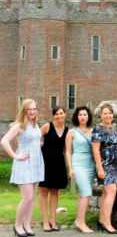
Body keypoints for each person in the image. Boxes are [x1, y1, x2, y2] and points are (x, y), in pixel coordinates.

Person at [1, 99, 44, 237]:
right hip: (24, 164)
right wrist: (15, 155)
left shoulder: (35, 124)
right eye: (29, 109)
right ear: (24, 110)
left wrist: (38, 145)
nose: (32, 111)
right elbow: (4, 141)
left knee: (32, 198)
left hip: (36, 163)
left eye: (34, 109)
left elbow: (33, 141)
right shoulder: (19, 125)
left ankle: (27, 225)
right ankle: (17, 225)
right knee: (27, 197)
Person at [65, 106, 95, 233]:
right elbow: (67, 151)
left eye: (85, 114)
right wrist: (70, 168)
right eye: (80, 115)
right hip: (78, 163)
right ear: (77, 117)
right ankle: (82, 223)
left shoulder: (93, 131)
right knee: (87, 192)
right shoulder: (72, 132)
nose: (82, 117)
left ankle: (78, 220)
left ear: (88, 117)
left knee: (83, 193)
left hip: (90, 163)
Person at [92, 103, 117, 234]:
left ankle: (102, 220)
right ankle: (107, 223)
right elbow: (96, 150)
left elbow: (116, 145)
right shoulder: (98, 129)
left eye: (109, 113)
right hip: (105, 165)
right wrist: (100, 168)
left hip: (114, 165)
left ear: (113, 114)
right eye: (105, 113)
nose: (108, 115)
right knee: (111, 192)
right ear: (100, 115)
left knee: (105, 193)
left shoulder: (114, 128)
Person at [39, 106, 69, 232]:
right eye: (56, 114)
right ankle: (45, 222)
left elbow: (66, 149)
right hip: (45, 163)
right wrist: (39, 144)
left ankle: (53, 221)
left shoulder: (67, 130)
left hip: (58, 164)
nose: (59, 116)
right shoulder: (47, 126)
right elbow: (34, 139)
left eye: (61, 113)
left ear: (65, 114)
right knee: (44, 192)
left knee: (55, 193)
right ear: (53, 116)